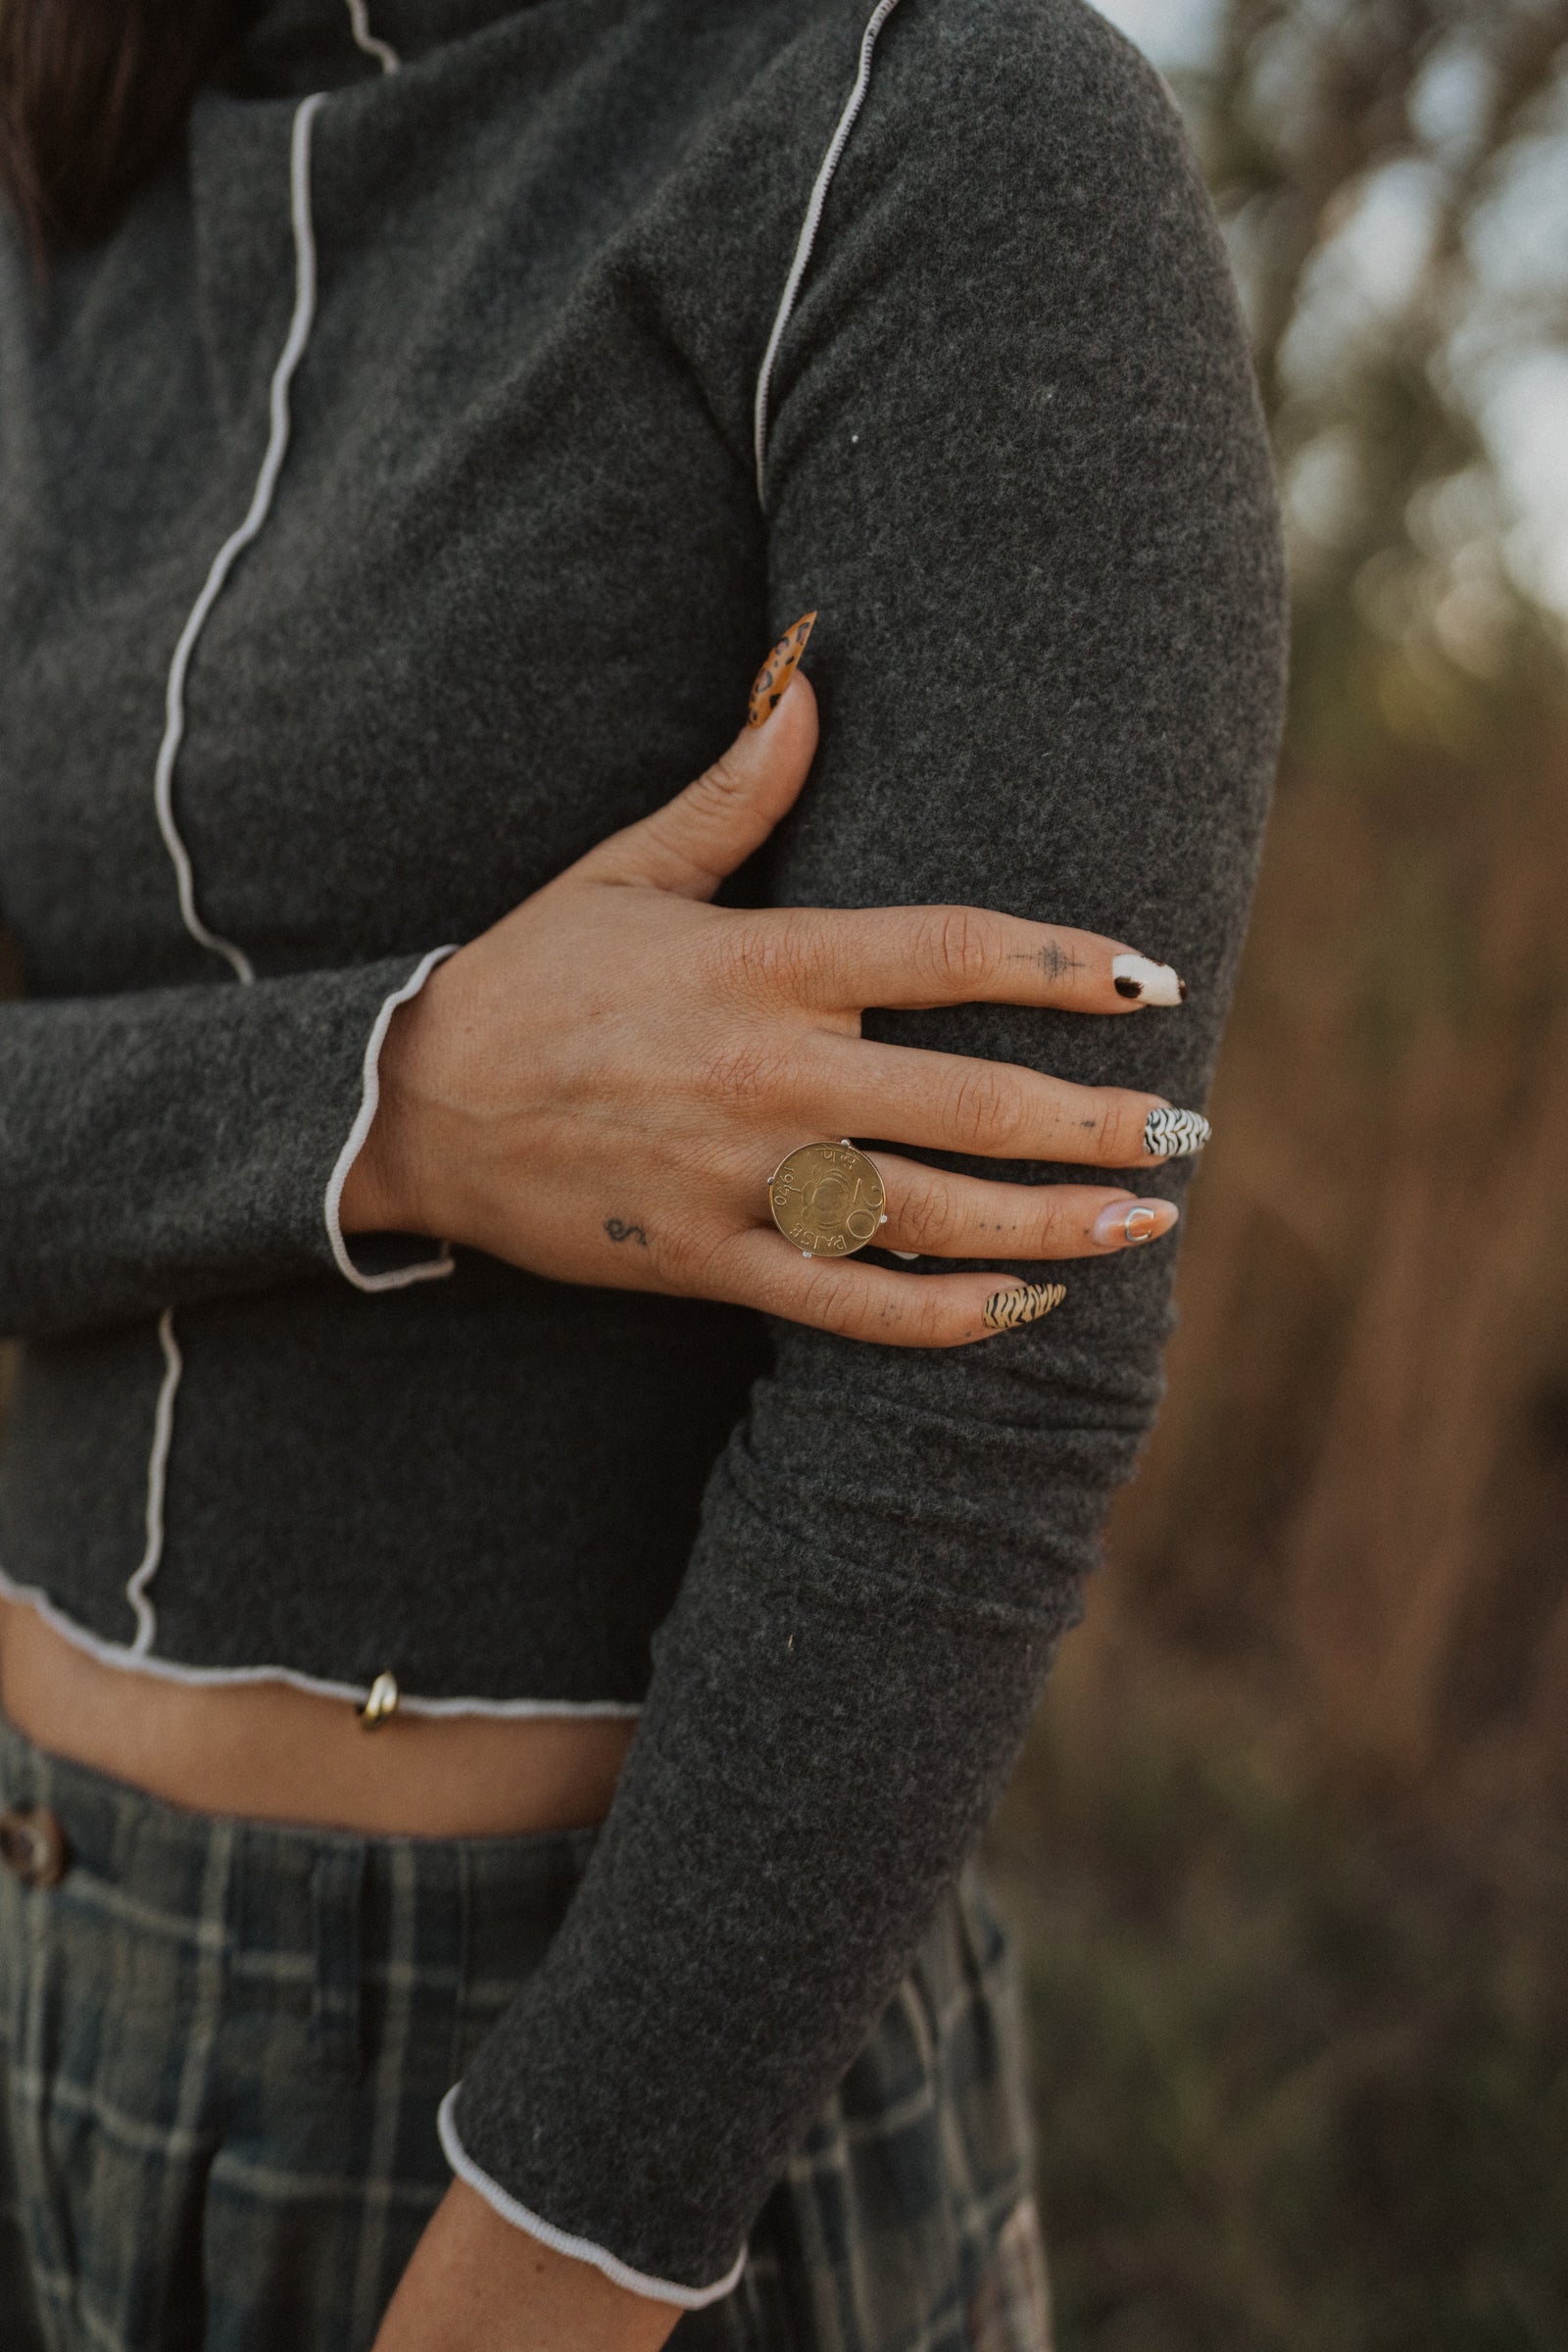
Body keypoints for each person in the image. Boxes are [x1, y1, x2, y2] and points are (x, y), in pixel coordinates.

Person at [0, 0, 1286, 2345]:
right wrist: (396, 1106)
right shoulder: (56, 220)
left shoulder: (927, 126)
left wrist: (575, 2229)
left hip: (574, 2081)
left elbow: (978, 1364)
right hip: (36, 1961)